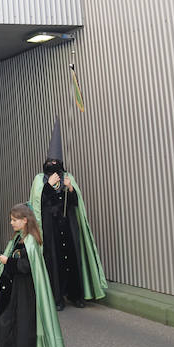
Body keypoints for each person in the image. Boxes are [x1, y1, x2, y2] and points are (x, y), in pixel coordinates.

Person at [29, 117, 108, 310]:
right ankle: (57, 298)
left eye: (56, 161)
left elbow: (76, 204)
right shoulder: (40, 179)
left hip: (68, 226)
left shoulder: (68, 177)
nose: (53, 163)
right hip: (51, 228)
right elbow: (38, 203)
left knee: (72, 259)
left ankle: (76, 295)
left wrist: (70, 189)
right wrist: (48, 186)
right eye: (50, 160)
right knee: (54, 262)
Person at [0, 203, 65, 347]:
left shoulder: (30, 241)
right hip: (18, 288)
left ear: (25, 220)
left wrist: (8, 261)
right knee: (13, 320)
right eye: (11, 220)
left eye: (14, 220)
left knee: (21, 322)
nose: (11, 223)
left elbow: (26, 266)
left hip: (26, 290)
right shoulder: (20, 238)